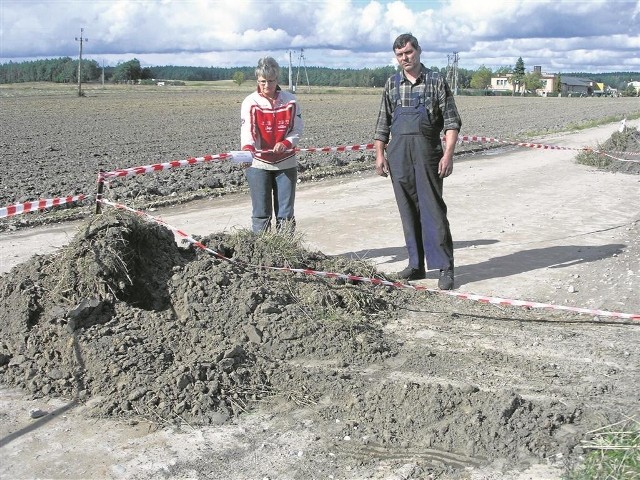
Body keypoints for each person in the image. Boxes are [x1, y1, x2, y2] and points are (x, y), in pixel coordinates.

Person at [374, 33, 462, 290]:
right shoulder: (392, 84)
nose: (405, 58)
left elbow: (452, 122)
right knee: (408, 210)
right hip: (399, 155)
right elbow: (382, 124)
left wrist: (448, 154)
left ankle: (445, 267)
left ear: (419, 51)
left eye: (408, 53)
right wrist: (380, 155)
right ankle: (415, 264)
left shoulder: (436, 81)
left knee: (433, 211)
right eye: (400, 55)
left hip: (428, 154)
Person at [240, 56, 304, 233]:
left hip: (286, 162)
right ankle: (262, 250)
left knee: (285, 213)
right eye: (262, 82)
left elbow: (297, 129)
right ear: (257, 80)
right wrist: (248, 150)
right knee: (261, 212)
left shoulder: (291, 101)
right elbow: (248, 131)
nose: (267, 86)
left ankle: (286, 249)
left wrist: (286, 142)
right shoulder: (250, 102)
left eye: (271, 81)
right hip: (259, 163)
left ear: (277, 80)